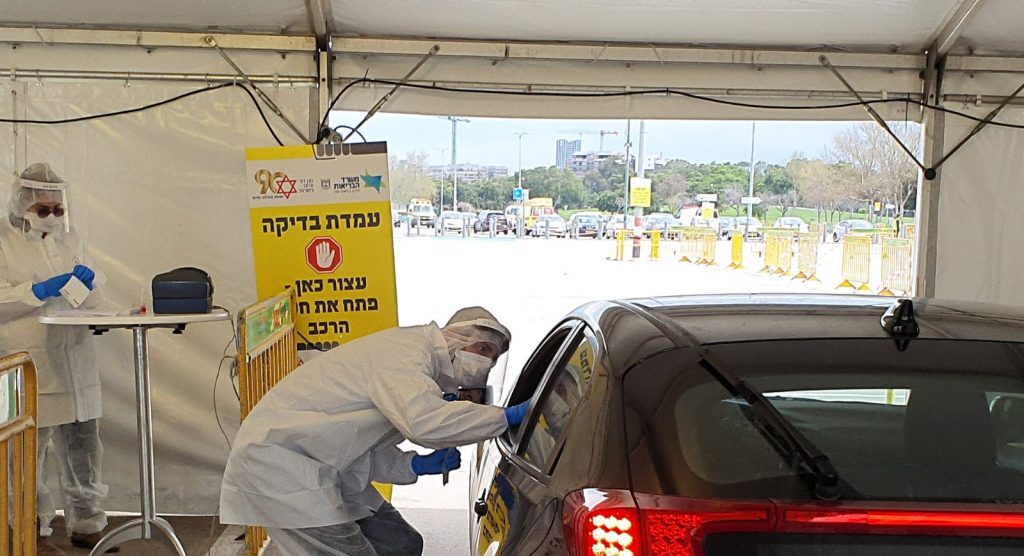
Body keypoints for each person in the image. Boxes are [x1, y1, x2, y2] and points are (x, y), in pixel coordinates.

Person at [220, 306, 531, 556]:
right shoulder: (406, 356)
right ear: (456, 337)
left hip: (323, 464)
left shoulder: (423, 370)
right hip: (281, 468)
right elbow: (424, 423)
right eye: (482, 348)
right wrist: (504, 417)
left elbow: (357, 441)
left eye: (493, 356)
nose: (485, 362)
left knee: (402, 544)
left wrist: (413, 465)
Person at [0, 163, 113, 550]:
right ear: (22, 204)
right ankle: (28, 525)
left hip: (75, 357)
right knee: (28, 450)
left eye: (58, 209)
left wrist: (89, 283)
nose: (52, 217)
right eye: (43, 209)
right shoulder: (2, 240)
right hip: (27, 360)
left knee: (84, 443)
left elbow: (95, 293)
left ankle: (87, 524)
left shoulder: (70, 238)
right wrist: (38, 289)